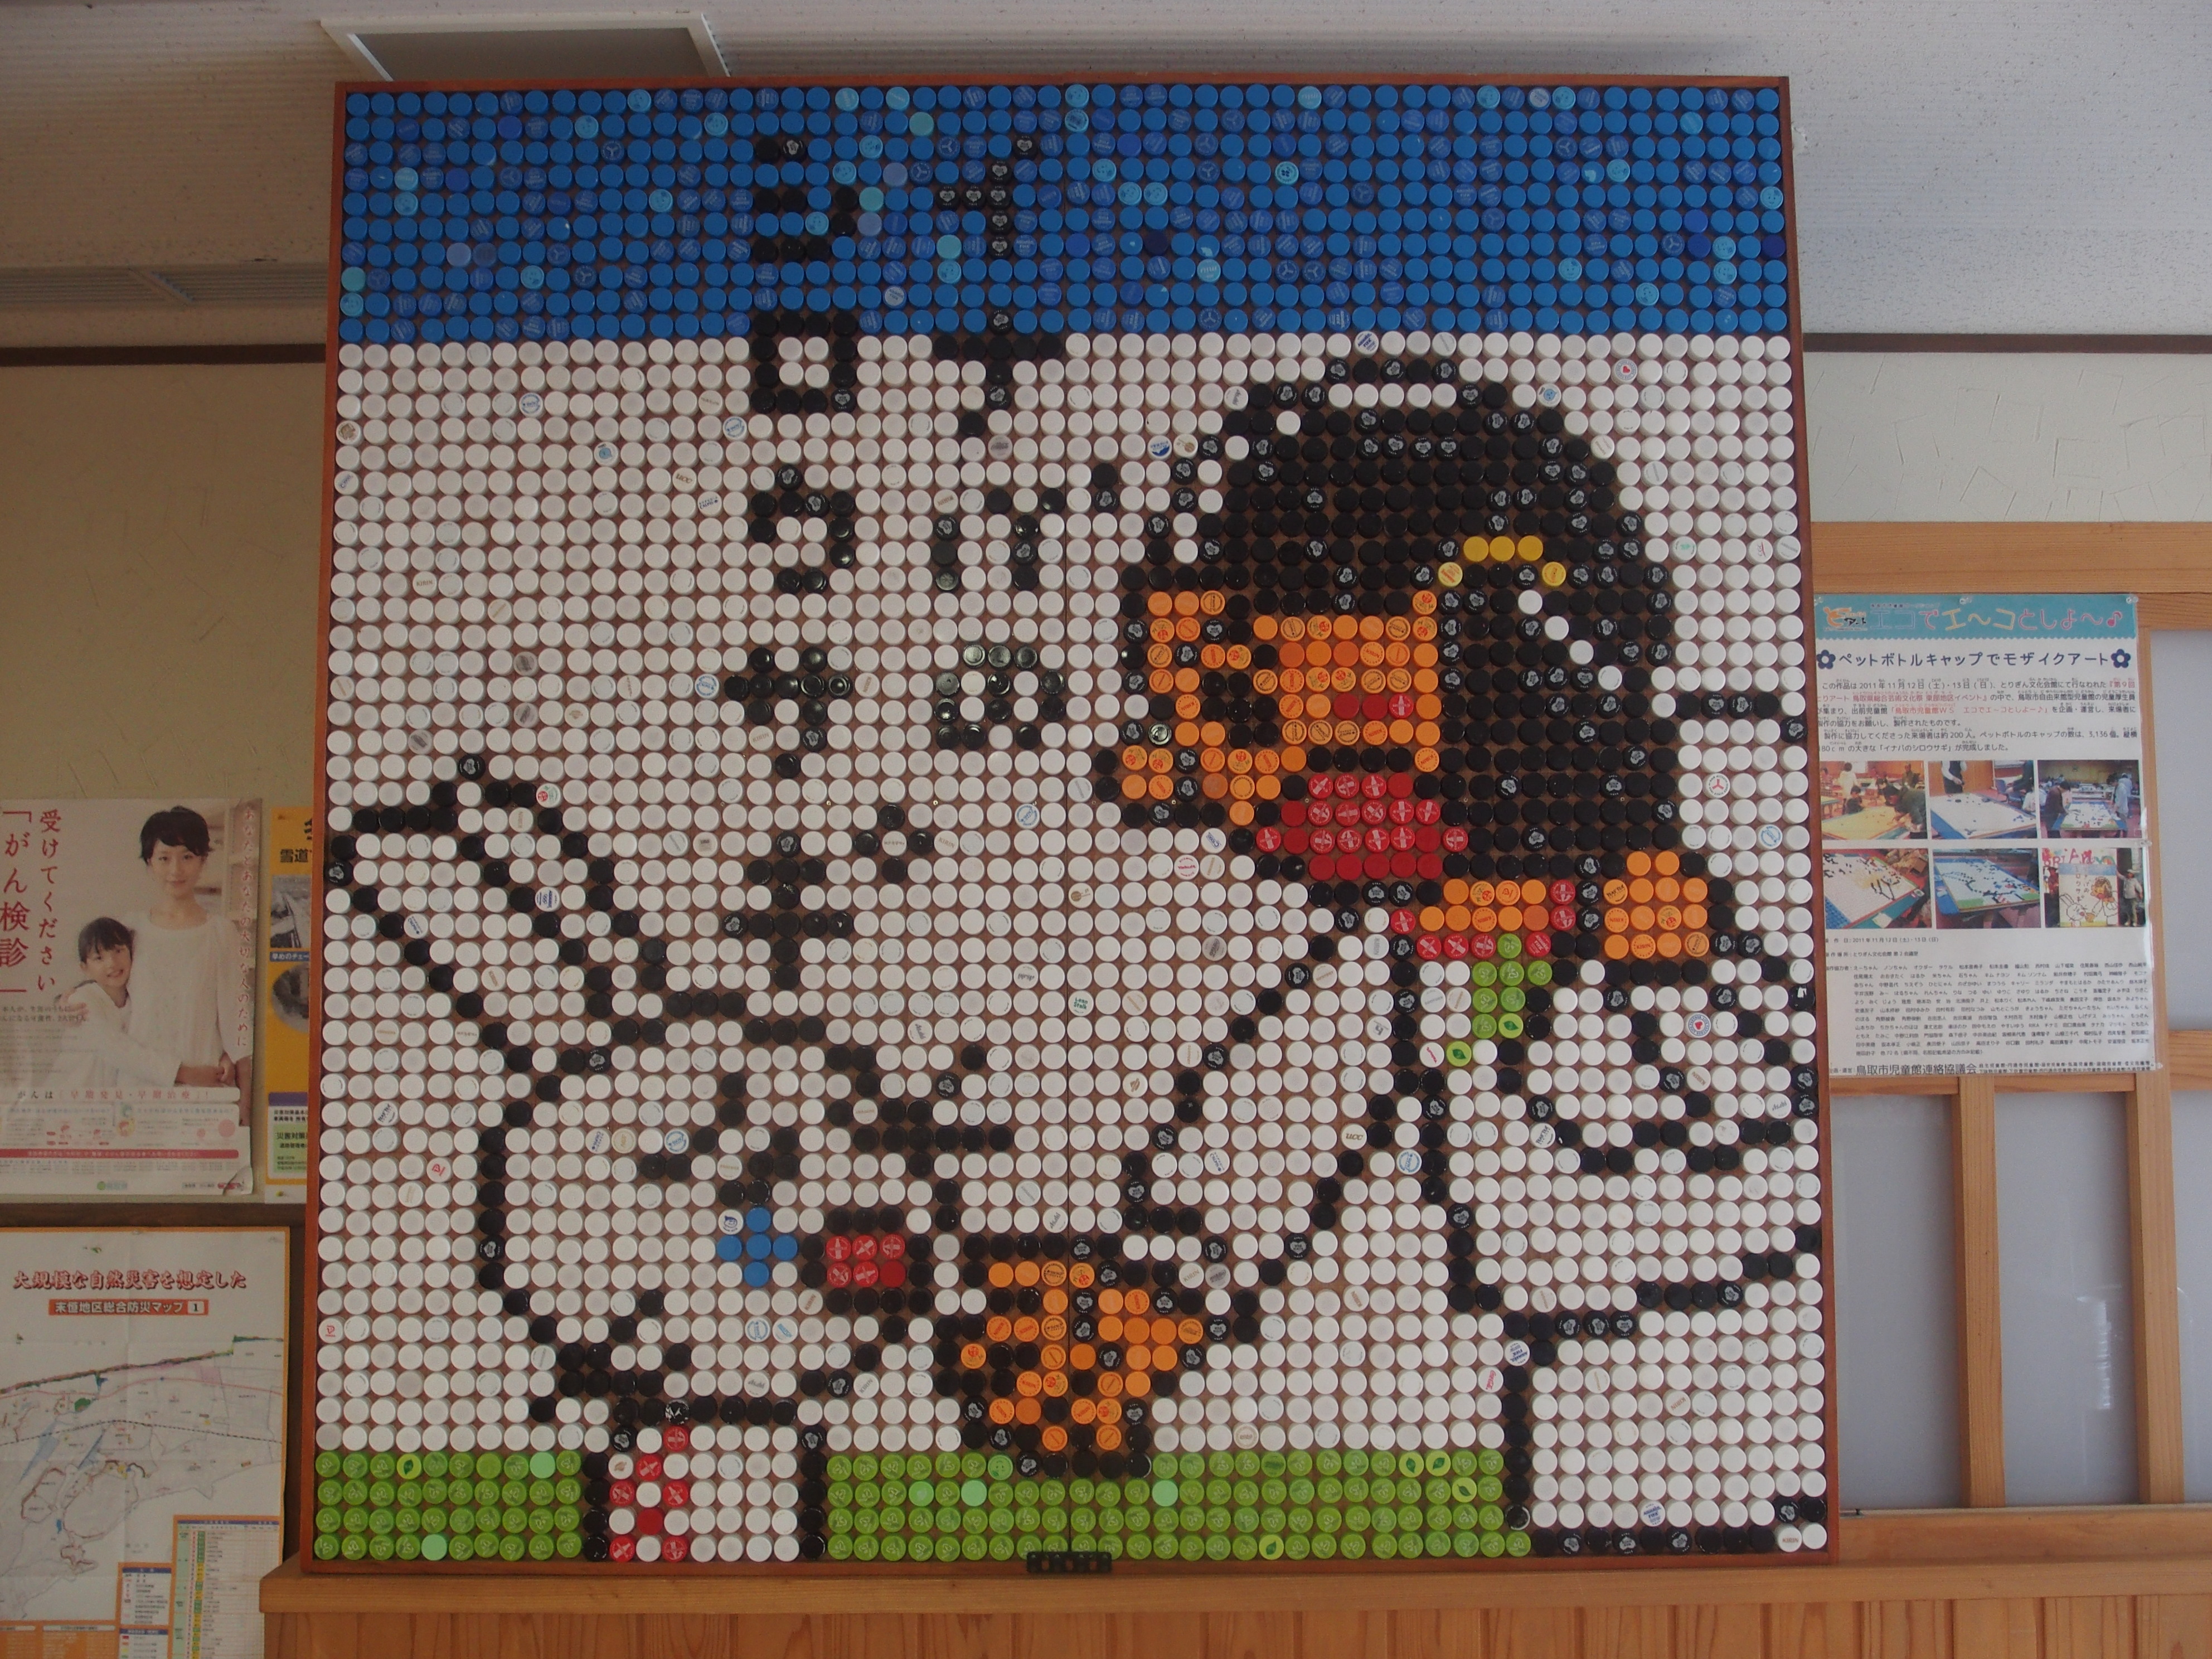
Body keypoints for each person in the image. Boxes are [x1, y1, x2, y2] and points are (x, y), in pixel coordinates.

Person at [118, 806, 251, 1117]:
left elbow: (237, 1022)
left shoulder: (220, 932)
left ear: (203, 861)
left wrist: (245, 1103)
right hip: (137, 1096)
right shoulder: (130, 930)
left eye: (187, 857)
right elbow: (110, 1008)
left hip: (202, 1097)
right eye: (164, 858)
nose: (176, 870)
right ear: (149, 863)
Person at [46, 918, 232, 1091]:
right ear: (85, 968)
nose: (112, 963)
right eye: (99, 958)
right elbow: (119, 1050)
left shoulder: (136, 1002)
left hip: (107, 1104)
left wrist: (222, 1054)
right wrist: (185, 1074)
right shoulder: (82, 1001)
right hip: (70, 1097)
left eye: (118, 951)